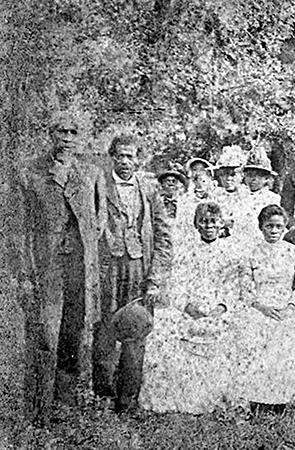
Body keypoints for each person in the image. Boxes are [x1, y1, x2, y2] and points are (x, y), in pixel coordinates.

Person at [17, 111, 106, 423]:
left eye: (72, 133)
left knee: (73, 331)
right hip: (47, 267)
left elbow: (99, 220)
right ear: (50, 134)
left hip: (79, 269)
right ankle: (37, 407)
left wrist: (85, 252)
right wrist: (26, 276)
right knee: (44, 334)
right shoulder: (31, 175)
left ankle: (64, 403)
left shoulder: (92, 173)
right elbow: (23, 229)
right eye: (61, 132)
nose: (67, 139)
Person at [140, 202, 247, 414]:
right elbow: (179, 283)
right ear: (196, 225)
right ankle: (179, 398)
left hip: (219, 307)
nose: (209, 226)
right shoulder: (186, 252)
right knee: (163, 334)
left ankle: (219, 396)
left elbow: (233, 287)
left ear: (221, 225)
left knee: (234, 333)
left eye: (213, 222)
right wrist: (189, 307)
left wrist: (221, 307)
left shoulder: (231, 253)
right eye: (204, 222)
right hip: (190, 306)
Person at [94, 135, 172, 413]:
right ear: (111, 157)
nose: (125, 162)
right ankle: (102, 395)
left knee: (136, 330)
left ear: (138, 159)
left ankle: (128, 400)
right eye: (120, 156)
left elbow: (163, 236)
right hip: (107, 267)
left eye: (131, 156)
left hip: (138, 268)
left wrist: (155, 278)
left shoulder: (149, 190)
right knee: (104, 329)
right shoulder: (99, 184)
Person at [237, 204, 295, 414]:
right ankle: (257, 399)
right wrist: (262, 307)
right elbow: (246, 289)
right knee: (255, 333)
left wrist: (290, 307)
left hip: (286, 306)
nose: (274, 231)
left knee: (289, 337)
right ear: (261, 227)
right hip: (259, 307)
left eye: (279, 226)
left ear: (285, 227)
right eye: (269, 226)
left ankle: (285, 399)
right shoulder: (250, 253)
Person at [211, 145, 251, 234]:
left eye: (233, 174)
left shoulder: (247, 197)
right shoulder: (213, 196)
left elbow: (248, 221)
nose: (228, 178)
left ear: (241, 176)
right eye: (224, 174)